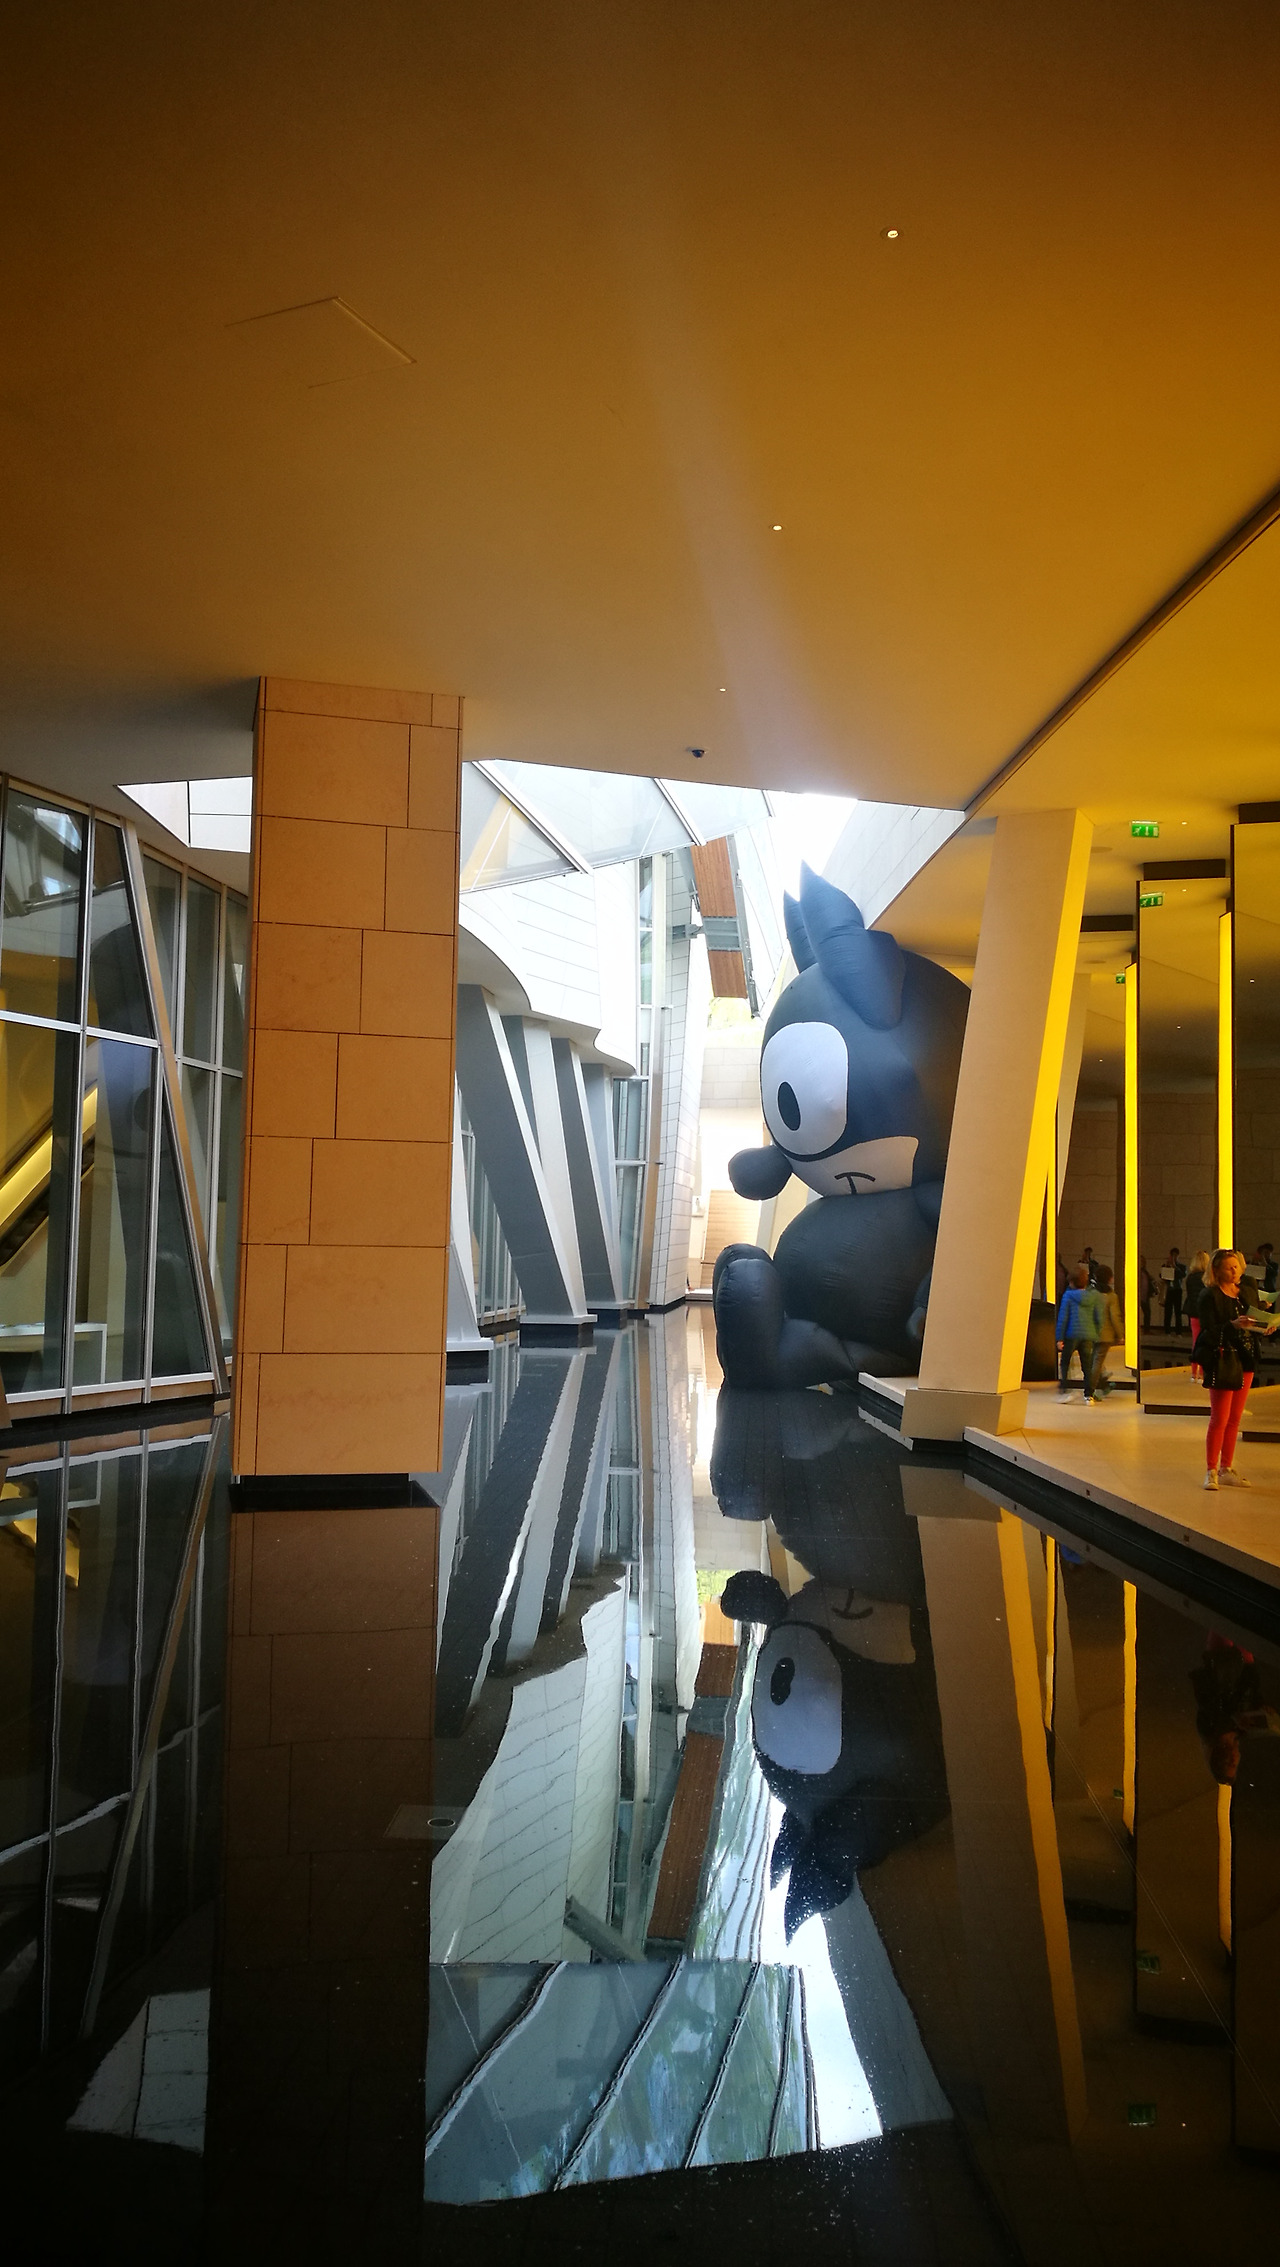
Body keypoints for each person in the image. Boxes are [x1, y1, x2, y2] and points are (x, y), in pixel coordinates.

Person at [1198, 1247, 1278, 1490]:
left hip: (1246, 1357)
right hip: (1224, 1358)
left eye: (1236, 1266)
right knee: (1219, 1418)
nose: (1234, 1271)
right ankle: (1211, 1470)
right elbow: (1207, 1332)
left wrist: (1264, 1326)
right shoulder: (1209, 1296)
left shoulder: (1246, 1292)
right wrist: (1232, 1325)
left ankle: (1226, 1468)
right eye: (1229, 1267)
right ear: (1217, 1270)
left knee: (1234, 1418)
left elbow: (1253, 1321)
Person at [1056, 1264, 1104, 1403]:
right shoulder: (1093, 1297)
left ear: (1071, 1282)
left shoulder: (1068, 1296)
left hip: (1071, 1334)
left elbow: (1063, 1318)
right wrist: (1097, 1332)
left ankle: (1064, 1390)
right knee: (1087, 1366)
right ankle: (1088, 1395)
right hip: (1088, 1335)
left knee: (1065, 1362)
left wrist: (1059, 1338)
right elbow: (1099, 1317)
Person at [1093, 1264, 1124, 1393]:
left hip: (1089, 1332)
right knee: (1097, 1361)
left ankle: (1102, 1384)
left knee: (1094, 1359)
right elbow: (1115, 1317)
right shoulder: (1111, 1296)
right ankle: (1093, 1388)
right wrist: (1120, 1334)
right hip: (1105, 1334)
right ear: (1109, 1278)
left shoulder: (1090, 1293)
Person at [1186, 1248, 1210, 1380]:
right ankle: (1201, 1372)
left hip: (1193, 1313)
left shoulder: (1190, 1278)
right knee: (1205, 1342)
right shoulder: (1206, 1278)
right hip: (1204, 1313)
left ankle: (1193, 1372)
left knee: (1195, 1341)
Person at [1162, 1247, 1185, 1333]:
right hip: (1169, 1290)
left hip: (1177, 1289)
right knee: (1168, 1311)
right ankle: (1167, 1330)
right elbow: (1162, 1276)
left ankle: (1178, 1330)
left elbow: (1182, 1275)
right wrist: (1167, 1267)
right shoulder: (1166, 1265)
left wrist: (1175, 1267)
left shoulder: (1181, 1266)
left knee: (1178, 1311)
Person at [1138, 1255, 1152, 1331]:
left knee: (1147, 1312)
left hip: (1145, 1295)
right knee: (1145, 1312)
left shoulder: (1144, 1272)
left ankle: (1147, 1329)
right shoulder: (1139, 1272)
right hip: (1140, 1295)